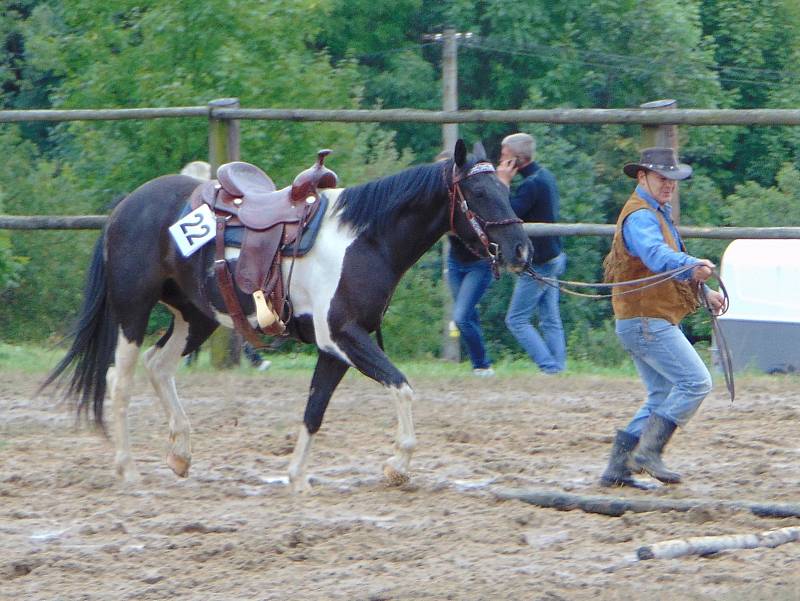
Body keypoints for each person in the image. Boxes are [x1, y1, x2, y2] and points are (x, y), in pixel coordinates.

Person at [599, 147, 724, 488]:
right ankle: (648, 452)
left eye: (672, 179)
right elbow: (656, 256)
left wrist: (703, 292)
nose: (669, 185)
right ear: (643, 177)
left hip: (640, 320)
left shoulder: (654, 212)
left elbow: (662, 261)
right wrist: (690, 265)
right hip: (646, 320)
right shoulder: (641, 217)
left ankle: (618, 468)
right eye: (661, 178)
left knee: (661, 393)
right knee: (696, 382)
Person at [497, 133, 566, 374]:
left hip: (540, 262)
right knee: (550, 318)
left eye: (505, 156)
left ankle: (550, 368)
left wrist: (503, 182)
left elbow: (507, 215)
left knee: (516, 320)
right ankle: (558, 368)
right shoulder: (544, 176)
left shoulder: (530, 185)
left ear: (517, 159)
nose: (501, 160)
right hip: (555, 256)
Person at [437, 150, 495, 377]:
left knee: (461, 316)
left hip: (479, 263)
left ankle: (482, 365)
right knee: (468, 315)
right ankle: (480, 363)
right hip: (456, 262)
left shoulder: (469, 199)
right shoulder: (444, 204)